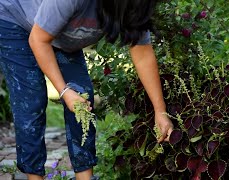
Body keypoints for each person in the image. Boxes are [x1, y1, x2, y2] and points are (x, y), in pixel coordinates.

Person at [0, 0, 174, 179]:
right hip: (15, 20)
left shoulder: (133, 6)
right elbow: (38, 39)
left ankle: (85, 176)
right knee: (31, 101)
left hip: (58, 33)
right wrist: (64, 91)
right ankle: (33, 176)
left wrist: (160, 111)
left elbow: (143, 55)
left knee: (82, 99)